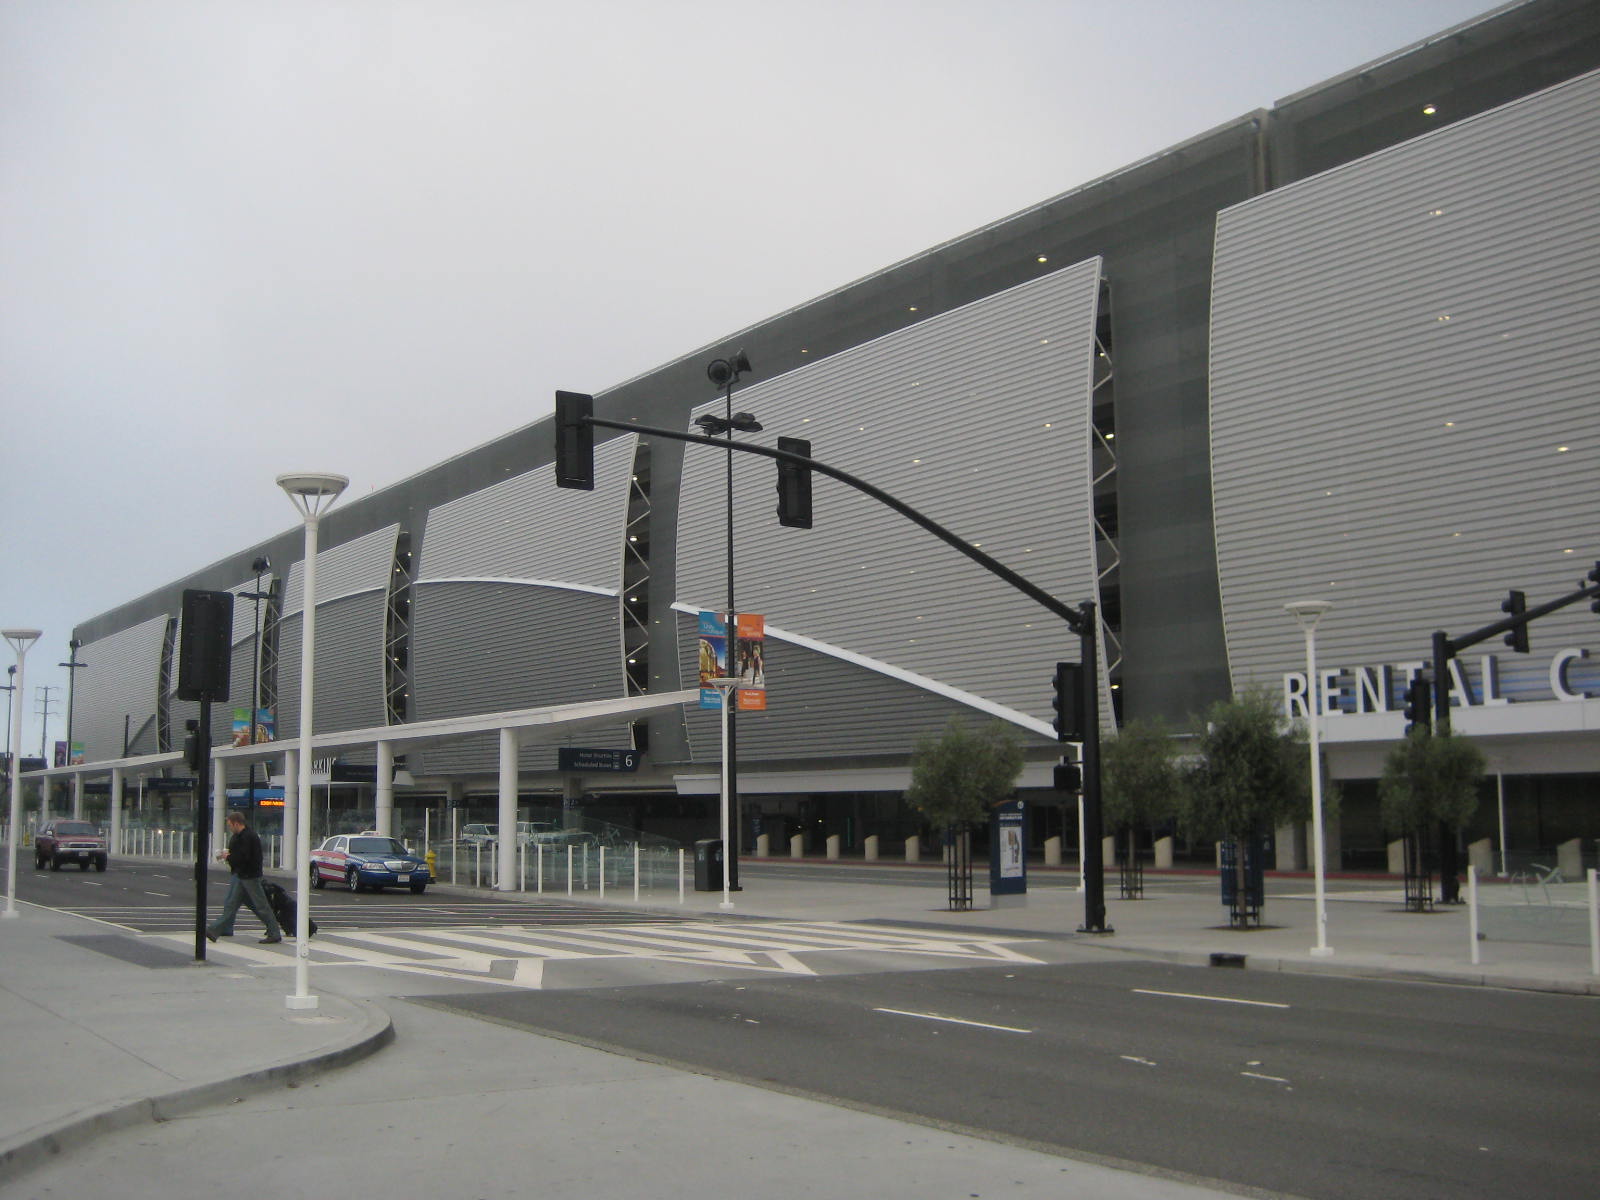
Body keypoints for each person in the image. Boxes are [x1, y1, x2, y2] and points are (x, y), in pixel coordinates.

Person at [206, 811, 282, 944]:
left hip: (250, 876)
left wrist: (228, 857)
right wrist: (229, 856)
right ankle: (214, 930)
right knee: (236, 904)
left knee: (259, 905)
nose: (229, 827)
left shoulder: (248, 837)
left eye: (230, 825)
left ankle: (274, 932)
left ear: (236, 823)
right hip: (242, 875)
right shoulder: (239, 836)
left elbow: (244, 857)